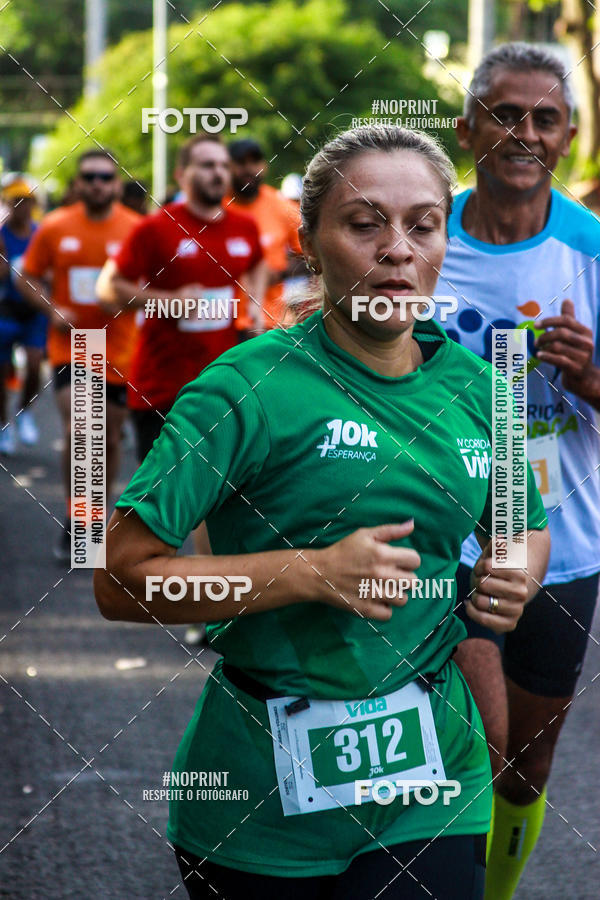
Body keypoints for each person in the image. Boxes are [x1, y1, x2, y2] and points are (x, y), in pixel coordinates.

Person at [95, 125, 550, 900]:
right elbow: (120, 582)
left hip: (435, 781)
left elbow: (521, 523)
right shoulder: (245, 388)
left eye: (423, 224)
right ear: (308, 242)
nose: (397, 249)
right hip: (258, 800)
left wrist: (515, 570)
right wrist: (308, 574)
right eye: (365, 223)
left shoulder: (479, 387)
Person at [436, 42, 600, 900]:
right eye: (505, 113)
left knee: (525, 772)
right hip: (446, 538)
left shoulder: (594, 250)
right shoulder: (423, 241)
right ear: (469, 129)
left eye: (544, 117)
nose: (523, 132)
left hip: (565, 541)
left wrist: (591, 379)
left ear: (568, 136)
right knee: (475, 749)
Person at [96, 133, 267, 466]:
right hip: (161, 390)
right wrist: (167, 299)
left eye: (222, 165)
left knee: (212, 496)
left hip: (221, 386)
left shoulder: (244, 227)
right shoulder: (157, 227)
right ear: (181, 174)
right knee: (160, 502)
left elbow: (258, 262)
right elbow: (109, 289)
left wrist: (256, 307)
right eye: (206, 165)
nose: (218, 173)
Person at [18, 149, 141, 561]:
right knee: (82, 429)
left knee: (105, 437)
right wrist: (52, 308)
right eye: (89, 176)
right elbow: (28, 276)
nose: (97, 184)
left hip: (123, 347)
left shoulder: (137, 229)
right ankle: (79, 522)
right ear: (77, 183)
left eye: (105, 177)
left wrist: (131, 301)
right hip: (76, 344)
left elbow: (157, 283)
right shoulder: (55, 227)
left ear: (117, 183)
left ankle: (95, 515)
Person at [227, 138, 307, 329]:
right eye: (240, 163)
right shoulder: (214, 208)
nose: (249, 169)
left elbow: (311, 256)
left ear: (264, 166)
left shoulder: (282, 207)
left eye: (254, 162)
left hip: (267, 324)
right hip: (219, 324)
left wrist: (279, 272)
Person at [0, 175, 46, 453]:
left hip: (34, 311)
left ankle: (25, 411)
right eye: (15, 201)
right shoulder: (1, 235)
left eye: (26, 201)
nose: (21, 207)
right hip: (5, 311)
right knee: (2, 374)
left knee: (34, 363)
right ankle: (4, 425)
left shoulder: (41, 234)